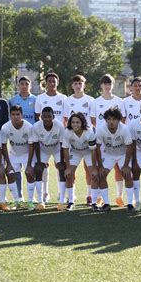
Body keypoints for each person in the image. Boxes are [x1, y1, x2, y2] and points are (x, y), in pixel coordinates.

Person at [90, 74, 127, 207]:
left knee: (119, 169)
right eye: (104, 83)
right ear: (101, 85)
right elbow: (94, 122)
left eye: (109, 83)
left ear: (112, 85)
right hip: (102, 140)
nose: (107, 86)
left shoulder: (119, 101)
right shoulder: (95, 102)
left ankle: (119, 196)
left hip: (117, 141)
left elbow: (122, 121)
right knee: (101, 169)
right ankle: (99, 197)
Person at [34, 72, 68, 203]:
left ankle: (61, 194)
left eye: (54, 81)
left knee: (61, 166)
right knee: (42, 168)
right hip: (44, 139)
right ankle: (44, 193)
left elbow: (65, 118)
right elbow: (38, 117)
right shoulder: (40, 98)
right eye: (49, 81)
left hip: (59, 139)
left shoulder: (63, 98)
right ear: (46, 83)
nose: (52, 83)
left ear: (57, 83)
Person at [95, 107, 134, 212]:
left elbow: (129, 147)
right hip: (108, 155)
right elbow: (97, 147)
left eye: (114, 119)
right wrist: (101, 166)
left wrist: (126, 166)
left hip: (122, 155)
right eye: (109, 119)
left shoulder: (124, 129)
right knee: (101, 175)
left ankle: (130, 204)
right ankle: (106, 204)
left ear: (119, 120)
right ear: (106, 120)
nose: (111, 122)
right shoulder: (101, 129)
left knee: (127, 175)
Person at [65, 74, 95, 205]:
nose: (78, 86)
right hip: (74, 142)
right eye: (75, 83)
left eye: (80, 83)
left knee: (90, 170)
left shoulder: (90, 100)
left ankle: (90, 195)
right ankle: (71, 198)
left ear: (84, 85)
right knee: (70, 170)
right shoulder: (67, 100)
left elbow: (93, 121)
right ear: (72, 86)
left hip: (87, 140)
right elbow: (66, 119)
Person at [30, 106, 65, 211]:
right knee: (38, 169)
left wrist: (61, 161)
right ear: (41, 117)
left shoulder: (59, 126)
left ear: (53, 117)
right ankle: (41, 200)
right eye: (44, 116)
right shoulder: (36, 126)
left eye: (49, 116)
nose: (47, 119)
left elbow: (62, 143)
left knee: (62, 169)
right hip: (43, 149)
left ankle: (61, 201)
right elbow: (35, 144)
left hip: (57, 149)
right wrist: (40, 162)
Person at [62, 112, 98, 212]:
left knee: (94, 175)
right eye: (73, 122)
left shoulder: (89, 132)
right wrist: (68, 167)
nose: (75, 124)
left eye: (77, 122)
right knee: (69, 175)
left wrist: (94, 168)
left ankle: (94, 202)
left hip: (88, 152)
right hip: (75, 152)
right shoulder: (67, 132)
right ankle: (71, 202)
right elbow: (65, 149)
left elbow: (93, 150)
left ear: (82, 123)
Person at [0, 105, 34, 210]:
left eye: (18, 114)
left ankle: (30, 201)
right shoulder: (5, 127)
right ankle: (16, 200)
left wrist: (29, 165)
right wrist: (8, 163)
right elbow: (4, 145)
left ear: (22, 115)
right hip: (13, 154)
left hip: (26, 154)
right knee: (10, 174)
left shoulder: (29, 127)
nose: (16, 117)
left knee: (30, 174)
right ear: (10, 116)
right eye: (13, 115)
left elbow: (31, 145)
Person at [8, 76, 37, 201]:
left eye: (26, 83)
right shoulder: (13, 100)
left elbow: (37, 117)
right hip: (16, 139)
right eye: (22, 84)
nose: (24, 86)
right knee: (16, 169)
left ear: (30, 85)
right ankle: (19, 196)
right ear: (18, 86)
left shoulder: (36, 100)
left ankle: (34, 196)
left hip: (31, 137)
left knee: (31, 169)